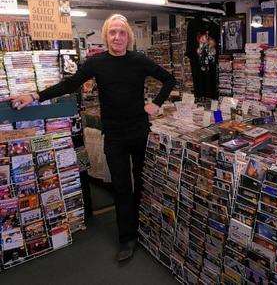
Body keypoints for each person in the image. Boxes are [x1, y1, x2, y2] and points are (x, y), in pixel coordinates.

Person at [9, 14, 176, 262]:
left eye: (122, 32)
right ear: (106, 36)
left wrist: (156, 104)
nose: (117, 37)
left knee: (142, 183)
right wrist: (34, 96)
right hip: (114, 136)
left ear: (128, 36)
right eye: (112, 32)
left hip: (139, 131)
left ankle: (145, 228)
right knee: (121, 187)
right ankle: (127, 238)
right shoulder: (97, 63)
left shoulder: (139, 60)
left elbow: (169, 79)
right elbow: (69, 84)